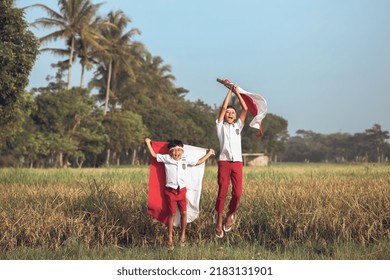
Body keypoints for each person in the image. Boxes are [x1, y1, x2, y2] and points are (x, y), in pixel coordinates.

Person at [145, 138, 215, 250]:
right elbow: (154, 155)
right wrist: (148, 143)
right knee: (171, 214)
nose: (176, 153)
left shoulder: (185, 159)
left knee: (183, 213)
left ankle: (182, 237)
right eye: (174, 151)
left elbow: (198, 162)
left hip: (182, 190)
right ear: (170, 152)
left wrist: (209, 154)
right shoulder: (167, 158)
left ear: (182, 152)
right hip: (170, 191)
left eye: (179, 151)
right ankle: (170, 238)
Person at [214, 84, 248, 238]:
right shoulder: (220, 126)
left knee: (238, 193)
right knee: (222, 192)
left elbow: (245, 109)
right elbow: (222, 108)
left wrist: (237, 92)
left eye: (232, 112)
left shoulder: (237, 127)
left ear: (235, 116)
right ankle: (219, 219)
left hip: (237, 163)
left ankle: (230, 214)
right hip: (224, 162)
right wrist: (228, 90)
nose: (229, 114)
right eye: (228, 112)